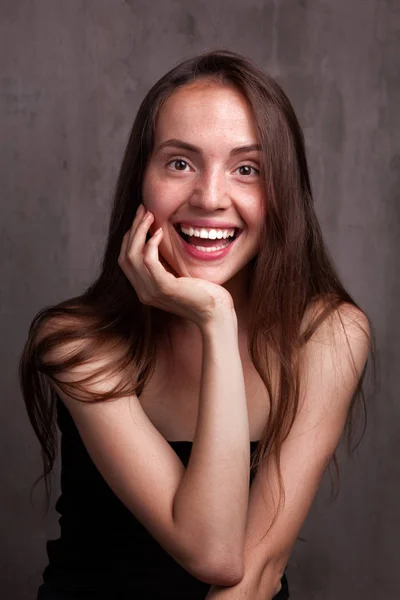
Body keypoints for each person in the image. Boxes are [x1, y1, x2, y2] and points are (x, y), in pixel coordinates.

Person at [19, 49, 374, 599]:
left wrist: (212, 320)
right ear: (143, 180)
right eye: (180, 163)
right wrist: (217, 317)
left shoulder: (328, 335)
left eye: (247, 169)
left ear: (283, 192)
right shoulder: (77, 343)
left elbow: (250, 575)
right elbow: (211, 548)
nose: (210, 198)